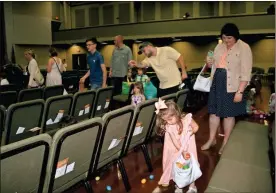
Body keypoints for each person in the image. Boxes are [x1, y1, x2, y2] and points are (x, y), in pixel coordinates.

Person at [201, 23, 253, 154]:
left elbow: (246, 72)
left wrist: (240, 91)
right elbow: (213, 65)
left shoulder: (244, 47)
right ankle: (212, 139)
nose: (226, 41)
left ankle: (225, 142)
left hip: (232, 85)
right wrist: (208, 63)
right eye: (224, 37)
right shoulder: (219, 46)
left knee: (228, 115)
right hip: (217, 81)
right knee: (213, 112)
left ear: (236, 37)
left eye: (229, 38)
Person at [153, 99, 199, 193]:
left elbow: (196, 126)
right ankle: (179, 185)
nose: (168, 122)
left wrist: (190, 133)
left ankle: (192, 186)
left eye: (169, 119)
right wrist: (182, 151)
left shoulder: (187, 119)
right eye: (165, 120)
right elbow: (174, 141)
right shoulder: (168, 126)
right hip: (176, 148)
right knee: (178, 167)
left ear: (177, 113)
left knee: (190, 165)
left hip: (189, 146)